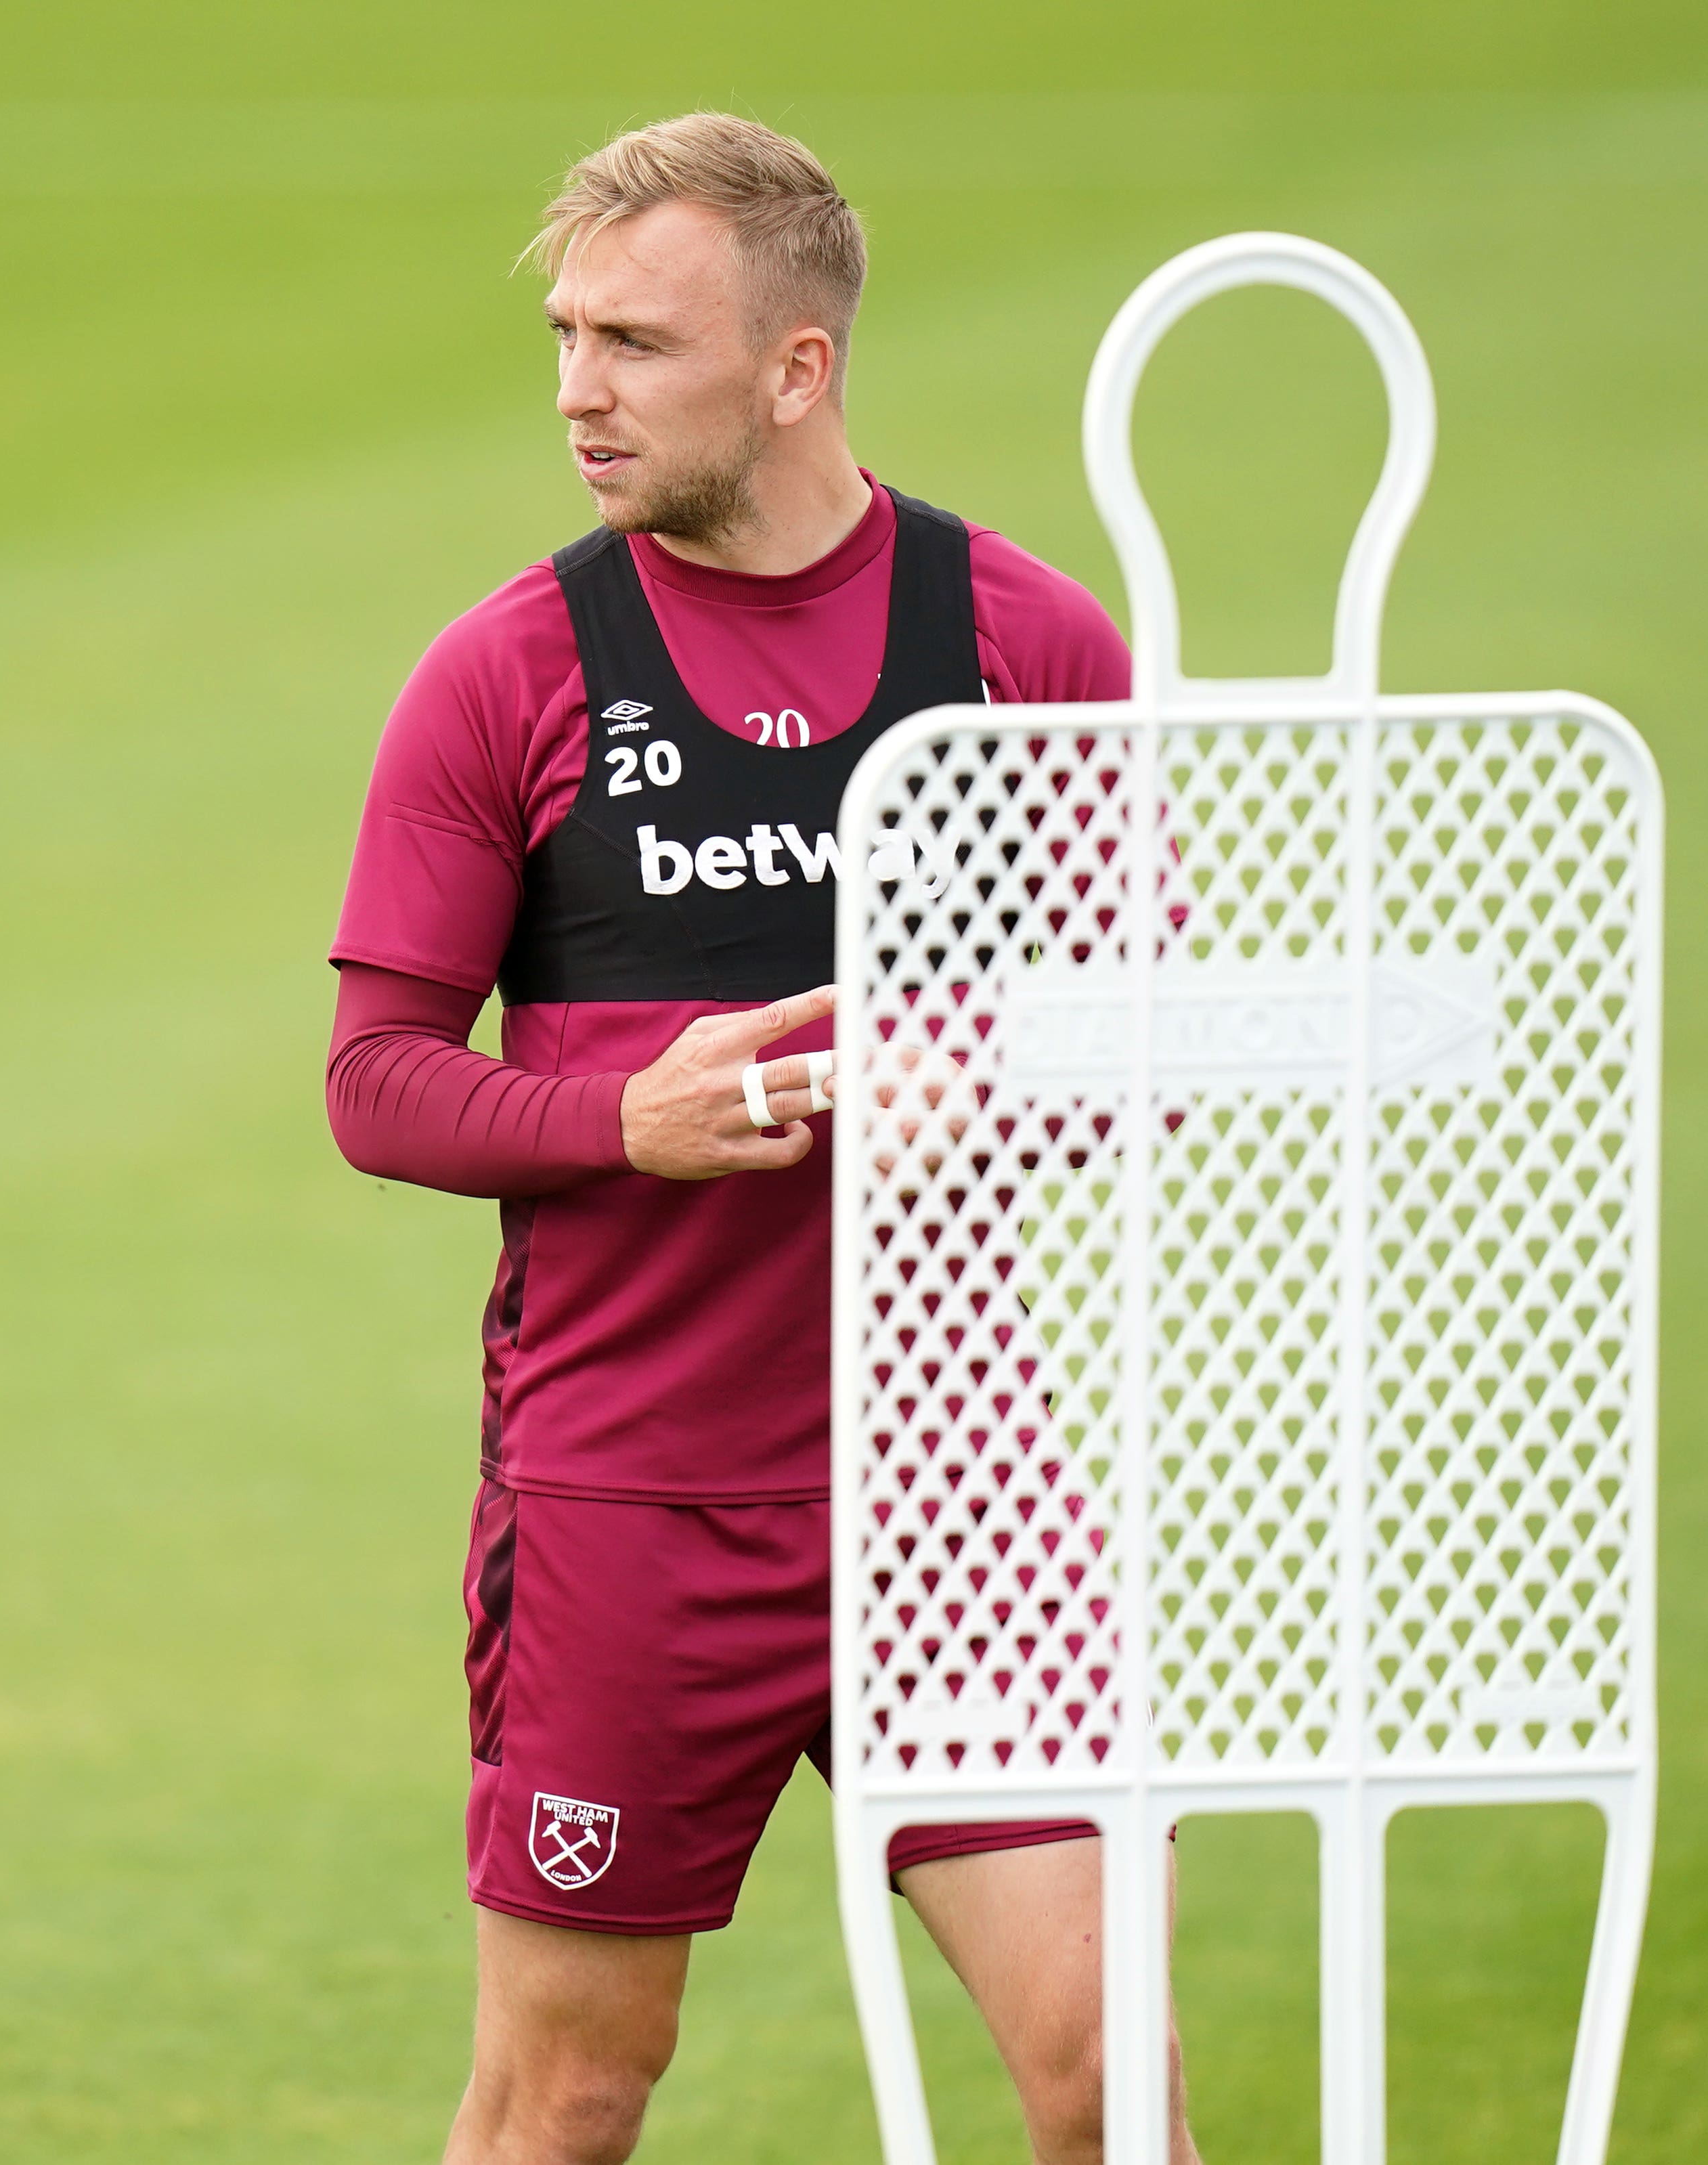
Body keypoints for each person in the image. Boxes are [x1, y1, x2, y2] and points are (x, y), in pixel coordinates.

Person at [324, 114, 1202, 2165]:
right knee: (569, 2097)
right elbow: (377, 1078)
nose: (577, 392)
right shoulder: (510, 673)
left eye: (634, 343)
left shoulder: (1027, 647)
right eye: (565, 336)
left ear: (797, 369)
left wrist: (1002, 1079)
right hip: (633, 1509)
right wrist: (627, 1119)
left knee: (1108, 2072)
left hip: (959, 1490)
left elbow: (1148, 1030)